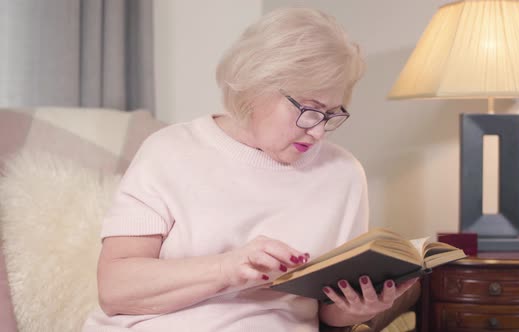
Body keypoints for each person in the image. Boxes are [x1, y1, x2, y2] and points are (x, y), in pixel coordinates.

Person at [83, 7, 418, 332]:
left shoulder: (343, 175)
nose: (317, 131)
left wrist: (354, 309)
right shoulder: (170, 151)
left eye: (331, 115)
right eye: (310, 110)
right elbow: (115, 289)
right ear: (256, 86)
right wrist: (230, 268)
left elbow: (326, 311)